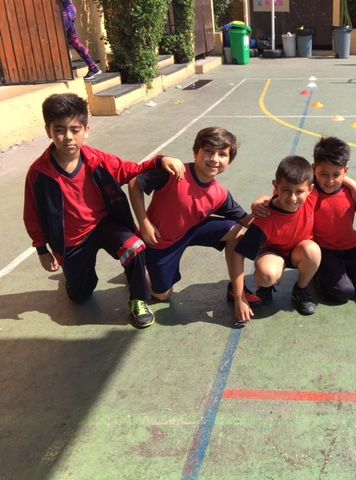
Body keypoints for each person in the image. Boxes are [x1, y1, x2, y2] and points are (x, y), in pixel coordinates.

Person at [23, 93, 185, 328]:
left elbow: (132, 170)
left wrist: (161, 160)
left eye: (75, 129)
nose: (68, 137)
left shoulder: (97, 160)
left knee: (135, 247)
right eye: (59, 130)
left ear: (86, 130)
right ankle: (72, 277)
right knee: (80, 296)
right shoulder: (39, 173)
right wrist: (41, 249)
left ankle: (138, 300)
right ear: (48, 131)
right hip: (72, 240)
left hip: (105, 226)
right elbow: (32, 214)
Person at [128, 127, 260, 324]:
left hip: (189, 231)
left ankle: (236, 288)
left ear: (229, 161)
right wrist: (144, 221)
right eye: (208, 151)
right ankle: (139, 266)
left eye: (222, 154)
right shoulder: (175, 173)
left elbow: (245, 220)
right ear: (195, 152)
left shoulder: (220, 194)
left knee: (235, 230)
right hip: (160, 242)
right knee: (163, 295)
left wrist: (267, 209)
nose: (214, 159)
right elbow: (134, 183)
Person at [235, 156, 321, 316]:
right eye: (286, 190)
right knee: (266, 275)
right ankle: (265, 287)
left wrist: (355, 187)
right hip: (273, 254)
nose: (292, 198)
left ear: (310, 189)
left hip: (300, 252)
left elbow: (332, 173)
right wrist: (239, 295)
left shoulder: (312, 197)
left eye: (299, 191)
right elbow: (239, 254)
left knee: (313, 250)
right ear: (275, 186)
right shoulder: (265, 217)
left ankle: (300, 289)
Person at [312, 137, 356, 303]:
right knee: (343, 293)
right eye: (323, 174)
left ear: (345, 171)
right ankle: (315, 272)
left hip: (350, 247)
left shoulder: (351, 191)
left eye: (336, 175)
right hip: (323, 250)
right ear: (314, 169)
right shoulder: (307, 191)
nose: (330, 181)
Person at [59, 0, 102, 80]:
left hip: (64, 12)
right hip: (70, 9)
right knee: (74, 41)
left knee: (58, 40)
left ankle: (60, 72)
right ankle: (93, 67)